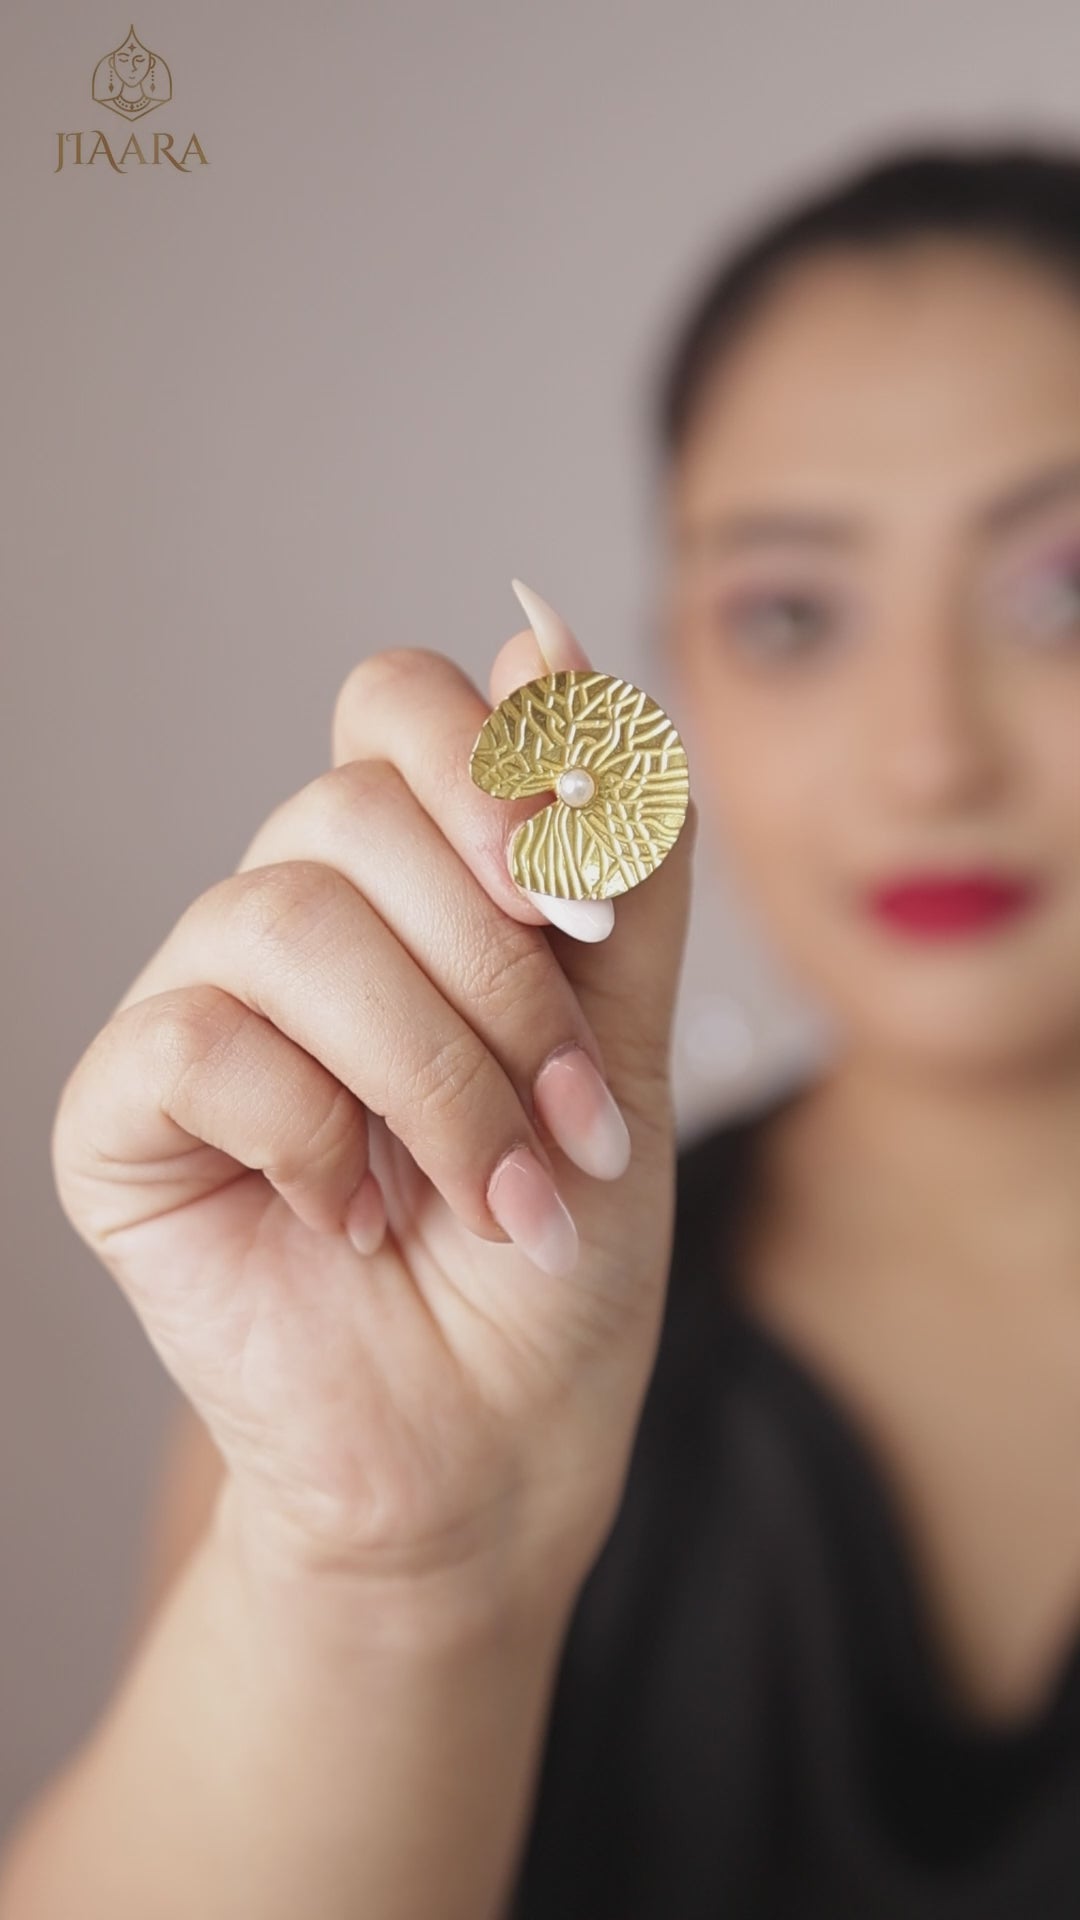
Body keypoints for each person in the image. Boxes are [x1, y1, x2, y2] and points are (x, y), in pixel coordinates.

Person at [4, 133, 1080, 1919]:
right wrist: (392, 1573)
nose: (928, 755)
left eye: (1065, 593)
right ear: (681, 667)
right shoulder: (426, 1290)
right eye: (793, 613)